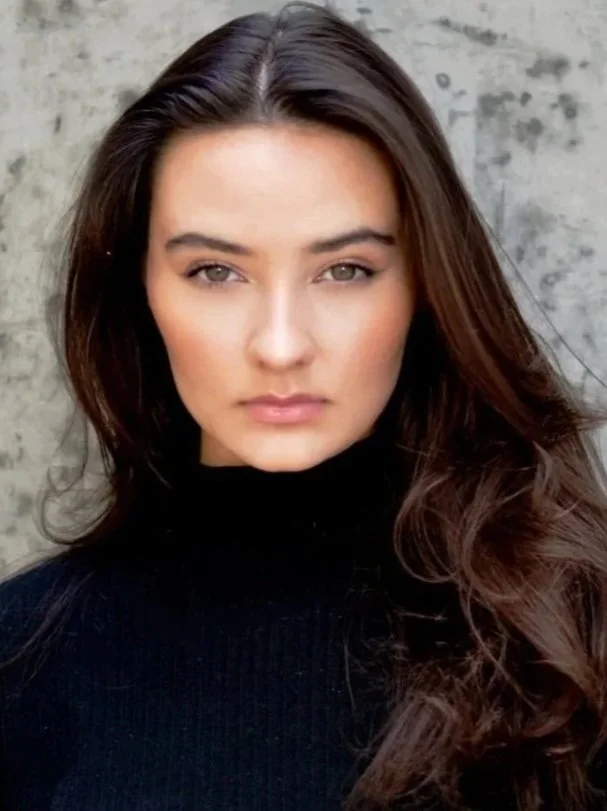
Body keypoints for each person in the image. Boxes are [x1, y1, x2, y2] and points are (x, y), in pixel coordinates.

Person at [1, 2, 606, 809]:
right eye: (215, 271)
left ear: (425, 289)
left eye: (344, 270)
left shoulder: (571, 638)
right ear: (136, 291)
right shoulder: (23, 656)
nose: (280, 344)